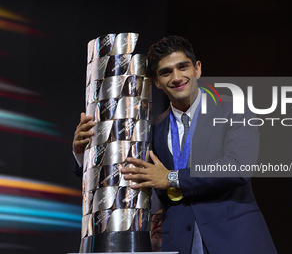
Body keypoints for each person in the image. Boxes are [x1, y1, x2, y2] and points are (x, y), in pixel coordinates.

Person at [73, 35, 277, 254]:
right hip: (178, 242)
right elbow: (119, 174)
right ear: (156, 81)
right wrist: (82, 152)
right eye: (166, 72)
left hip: (234, 239)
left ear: (197, 69)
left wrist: (172, 178)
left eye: (183, 67)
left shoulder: (233, 110)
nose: (177, 77)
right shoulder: (150, 129)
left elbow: (238, 166)